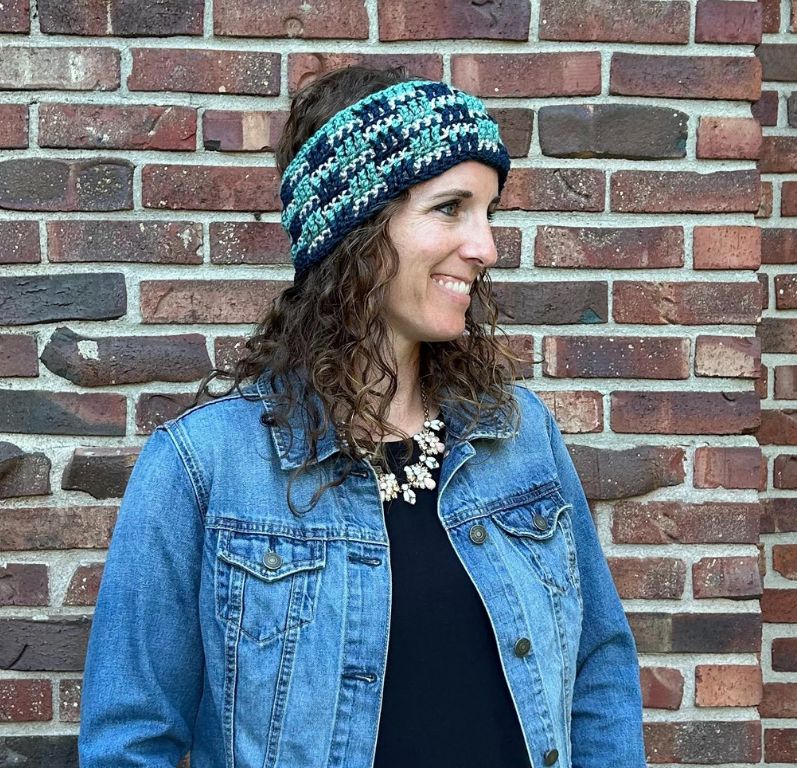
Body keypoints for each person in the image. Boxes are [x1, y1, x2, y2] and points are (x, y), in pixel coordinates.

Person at [79, 65, 645, 768]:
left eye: (488, 212)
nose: (486, 247)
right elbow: (133, 742)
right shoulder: (203, 470)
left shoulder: (518, 436)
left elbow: (599, 673)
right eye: (451, 208)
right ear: (356, 227)